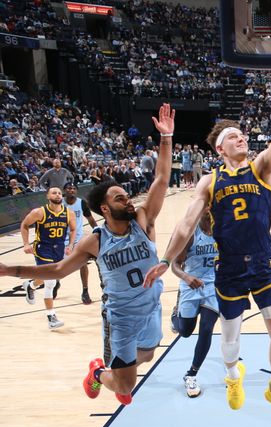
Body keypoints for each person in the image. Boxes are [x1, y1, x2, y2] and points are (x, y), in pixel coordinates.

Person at [143, 71, 271, 415]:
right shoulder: (209, 181)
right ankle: (231, 376)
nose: (241, 139)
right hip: (229, 268)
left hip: (264, 262)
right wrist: (167, 260)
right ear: (220, 147)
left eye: (242, 135)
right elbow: (186, 223)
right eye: (233, 137)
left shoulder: (262, 168)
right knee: (230, 338)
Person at [0, 104, 174, 404]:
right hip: (120, 316)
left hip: (151, 308)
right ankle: (97, 373)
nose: (128, 200)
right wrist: (10, 270)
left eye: (127, 195)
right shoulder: (95, 240)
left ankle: (117, 371)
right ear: (105, 209)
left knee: (146, 354)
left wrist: (167, 137)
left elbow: (160, 180)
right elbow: (57, 271)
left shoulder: (143, 220)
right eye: (120, 197)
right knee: (124, 388)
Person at [170, 209, 219, 398]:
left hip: (213, 286)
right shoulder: (190, 233)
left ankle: (191, 374)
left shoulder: (222, 230)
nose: (209, 210)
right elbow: (175, 264)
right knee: (185, 332)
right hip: (190, 284)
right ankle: (176, 315)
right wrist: (186, 277)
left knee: (206, 329)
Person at [19, 186, 77, 329]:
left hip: (58, 249)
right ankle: (51, 317)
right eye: (54, 193)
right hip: (42, 249)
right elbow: (25, 225)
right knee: (50, 282)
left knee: (49, 278)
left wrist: (70, 245)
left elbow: (73, 229)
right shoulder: (39, 212)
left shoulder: (68, 213)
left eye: (59, 193)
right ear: (47, 196)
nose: (57, 195)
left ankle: (31, 285)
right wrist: (26, 243)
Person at [64, 182, 97, 304]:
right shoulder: (59, 203)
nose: (71, 190)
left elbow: (91, 219)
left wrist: (97, 231)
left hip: (77, 238)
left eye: (73, 188)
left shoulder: (81, 203)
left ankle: (85, 290)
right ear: (65, 190)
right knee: (56, 263)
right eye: (69, 188)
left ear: (76, 191)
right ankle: (55, 283)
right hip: (60, 238)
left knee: (83, 263)